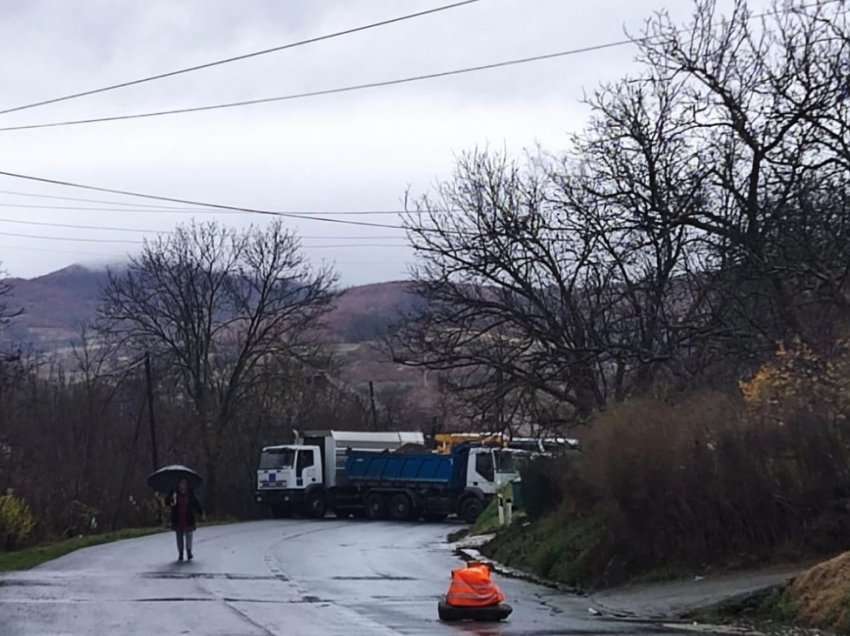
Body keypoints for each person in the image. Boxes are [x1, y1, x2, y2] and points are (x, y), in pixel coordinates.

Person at [169, 478, 203, 562]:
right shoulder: (174, 493)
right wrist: (171, 497)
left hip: (188, 517)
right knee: (179, 536)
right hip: (178, 518)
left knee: (189, 535)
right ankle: (180, 553)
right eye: (181, 483)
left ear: (187, 485)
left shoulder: (190, 493)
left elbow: (196, 503)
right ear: (178, 485)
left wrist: (201, 512)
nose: (182, 485)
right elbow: (168, 502)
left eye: (184, 483)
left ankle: (189, 552)